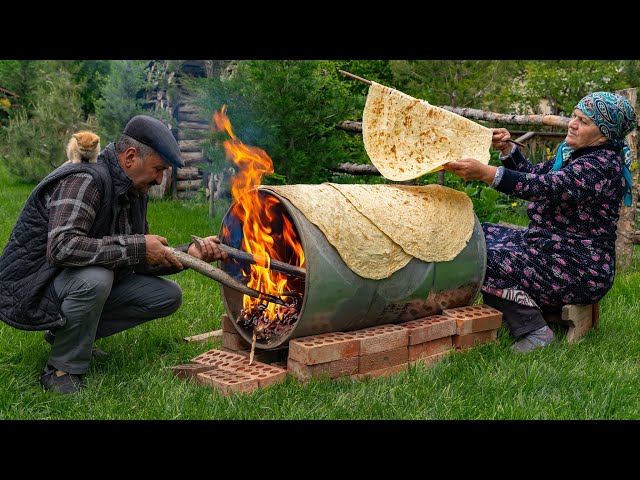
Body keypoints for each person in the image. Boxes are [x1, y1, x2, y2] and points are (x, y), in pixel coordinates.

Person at [0, 115, 228, 394]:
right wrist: (139, 246)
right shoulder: (84, 179)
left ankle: (74, 338)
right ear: (131, 156)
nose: (159, 180)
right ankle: (62, 369)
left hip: (66, 280)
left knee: (167, 296)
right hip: (33, 286)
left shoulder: (133, 190)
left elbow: (137, 258)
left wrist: (188, 254)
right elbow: (62, 247)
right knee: (96, 278)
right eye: (158, 169)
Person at [442, 92, 637, 353]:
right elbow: (534, 173)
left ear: (604, 134)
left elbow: (543, 187)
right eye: (574, 116)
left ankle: (534, 331)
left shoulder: (599, 166)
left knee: (484, 259)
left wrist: (486, 174)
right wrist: (508, 149)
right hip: (549, 247)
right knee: (476, 236)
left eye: (584, 121)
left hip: (577, 268)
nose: (572, 123)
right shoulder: (575, 154)